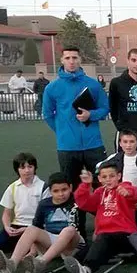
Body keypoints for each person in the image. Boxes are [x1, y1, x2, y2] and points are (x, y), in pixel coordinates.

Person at [0, 173, 85, 273]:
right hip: (51, 242)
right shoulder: (44, 204)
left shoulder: (78, 201)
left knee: (68, 230)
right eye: (56, 191)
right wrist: (32, 252)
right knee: (31, 229)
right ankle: (12, 264)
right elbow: (37, 227)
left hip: (73, 244)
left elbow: (96, 210)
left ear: (71, 187)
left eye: (64, 189)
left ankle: (41, 263)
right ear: (50, 191)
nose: (61, 194)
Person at [43, 46, 109, 189]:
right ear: (62, 60)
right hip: (67, 147)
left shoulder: (93, 85)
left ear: (80, 60)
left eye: (74, 58)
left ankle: (102, 212)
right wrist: (62, 131)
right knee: (72, 190)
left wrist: (91, 115)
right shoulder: (52, 87)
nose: (71, 61)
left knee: (103, 186)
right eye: (67, 58)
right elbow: (47, 115)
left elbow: (105, 108)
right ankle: (76, 213)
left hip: (94, 145)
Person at [64, 162, 137, 273]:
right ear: (99, 178)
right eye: (104, 177)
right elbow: (84, 203)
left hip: (126, 235)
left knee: (103, 239)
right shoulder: (100, 192)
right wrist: (85, 185)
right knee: (85, 251)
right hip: (105, 236)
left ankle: (87, 270)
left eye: (112, 176)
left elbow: (135, 194)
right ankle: (77, 265)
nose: (108, 180)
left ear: (119, 176)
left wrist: (128, 193)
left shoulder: (124, 186)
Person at [0, 153, 45, 256]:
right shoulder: (12, 187)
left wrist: (27, 229)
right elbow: (6, 213)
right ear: (17, 170)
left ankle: (29, 247)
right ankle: (23, 245)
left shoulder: (43, 187)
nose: (27, 170)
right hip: (17, 226)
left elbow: (46, 215)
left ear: (35, 168)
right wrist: (7, 227)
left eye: (30, 166)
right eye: (22, 167)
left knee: (31, 247)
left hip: (36, 227)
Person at [97, 130, 137, 232]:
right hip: (123, 203)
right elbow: (99, 168)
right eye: (125, 142)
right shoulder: (114, 158)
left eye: (132, 142)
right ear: (120, 143)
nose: (128, 145)